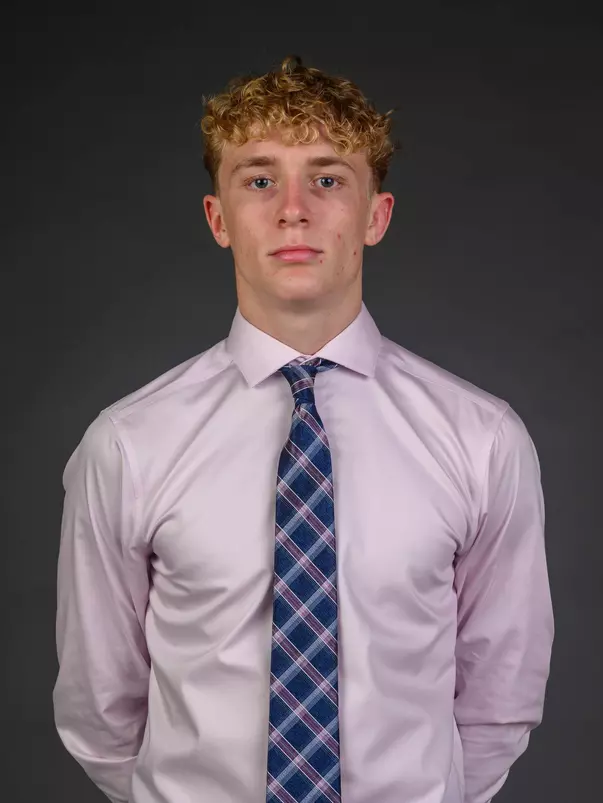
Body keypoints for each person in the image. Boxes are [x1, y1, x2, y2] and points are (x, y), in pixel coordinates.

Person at [52, 55, 554, 803]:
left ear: (374, 215)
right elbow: (100, 707)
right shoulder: (127, 444)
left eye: (326, 178)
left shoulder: (481, 438)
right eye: (259, 179)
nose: (293, 209)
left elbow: (498, 698)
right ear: (218, 219)